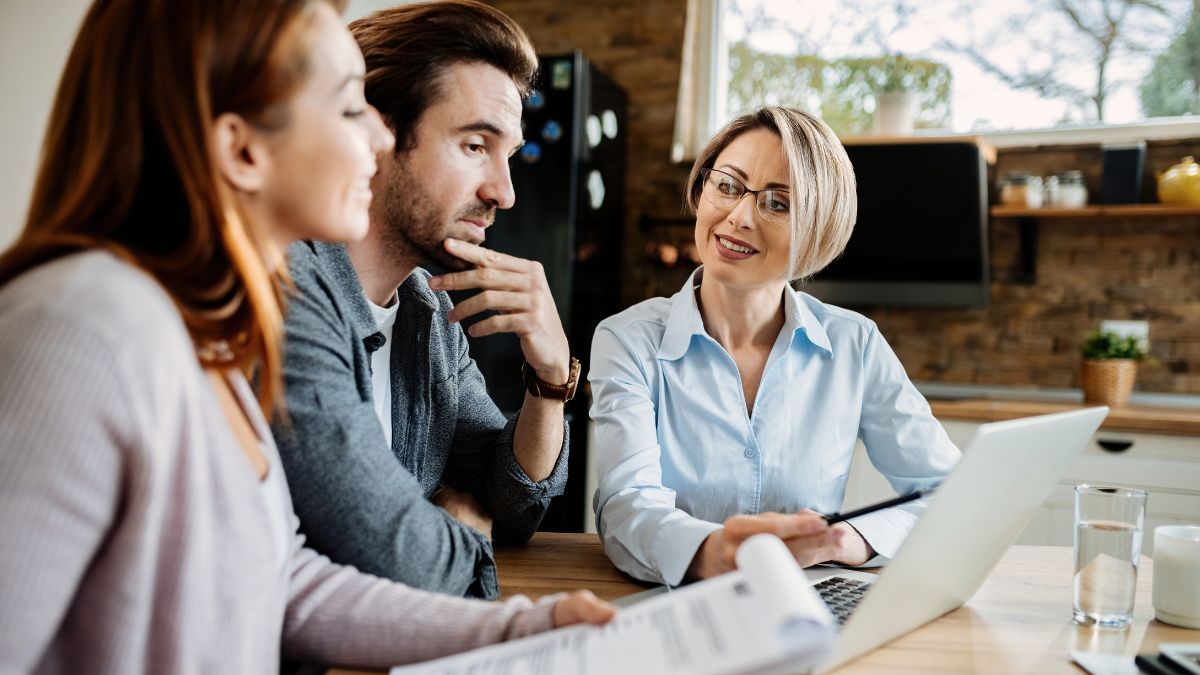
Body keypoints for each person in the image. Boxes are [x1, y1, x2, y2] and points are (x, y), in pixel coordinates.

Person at [0, 1, 612, 672]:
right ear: (242, 149)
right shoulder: (85, 330)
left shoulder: (212, 330)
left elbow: (284, 582)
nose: (379, 139)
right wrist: (464, 539)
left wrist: (522, 627)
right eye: (352, 108)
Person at [274, 0, 577, 600]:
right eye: (474, 146)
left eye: (508, 156)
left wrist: (548, 380)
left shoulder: (428, 310)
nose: (505, 193)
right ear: (377, 134)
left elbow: (513, 507)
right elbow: (391, 553)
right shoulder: (293, 287)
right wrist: (460, 532)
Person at [589, 107, 962, 585]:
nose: (739, 217)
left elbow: (948, 492)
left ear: (819, 230)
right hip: (673, 606)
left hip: (803, 613)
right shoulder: (628, 340)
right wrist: (717, 552)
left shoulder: (856, 344)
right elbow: (626, 508)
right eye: (727, 185)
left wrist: (849, 538)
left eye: (778, 203)